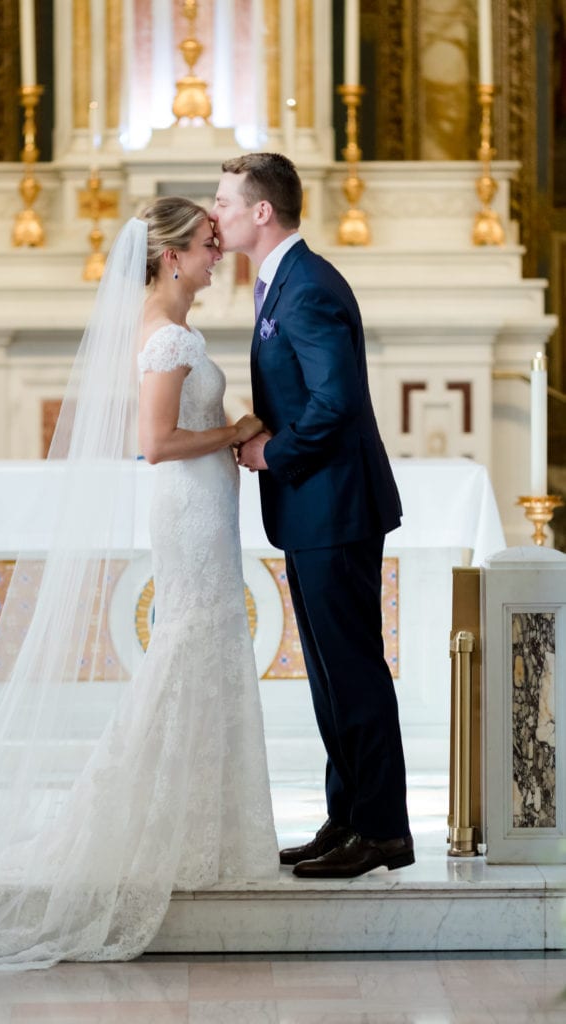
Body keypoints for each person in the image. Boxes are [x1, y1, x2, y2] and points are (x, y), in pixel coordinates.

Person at [0, 198, 278, 976]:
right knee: (191, 641)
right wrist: (234, 432)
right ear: (169, 257)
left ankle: (208, 827)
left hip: (205, 503)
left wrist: (232, 428)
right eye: (204, 246)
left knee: (206, 642)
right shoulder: (164, 334)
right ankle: (169, 825)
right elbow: (157, 443)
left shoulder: (173, 327)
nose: (215, 257)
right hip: (189, 504)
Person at [210, 153, 414, 879]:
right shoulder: (283, 282)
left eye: (226, 202)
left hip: (333, 504)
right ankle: (349, 816)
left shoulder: (305, 290)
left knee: (351, 669)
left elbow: (334, 401)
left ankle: (384, 830)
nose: (216, 213)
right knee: (330, 673)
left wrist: (274, 454)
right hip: (314, 509)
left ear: (262, 212)